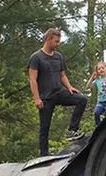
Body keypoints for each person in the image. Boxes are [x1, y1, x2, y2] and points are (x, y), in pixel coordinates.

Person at [28, 28, 87, 156]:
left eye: (59, 41)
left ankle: (72, 130)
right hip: (45, 97)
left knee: (82, 99)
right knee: (45, 127)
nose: (58, 44)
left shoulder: (58, 56)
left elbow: (62, 76)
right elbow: (32, 79)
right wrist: (37, 98)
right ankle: (44, 154)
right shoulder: (36, 57)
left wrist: (69, 87)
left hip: (59, 92)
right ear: (48, 39)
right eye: (56, 41)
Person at [87, 61, 106, 126]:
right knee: (96, 113)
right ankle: (99, 127)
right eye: (99, 69)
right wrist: (92, 78)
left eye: (102, 68)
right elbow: (88, 86)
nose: (101, 70)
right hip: (101, 102)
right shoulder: (97, 80)